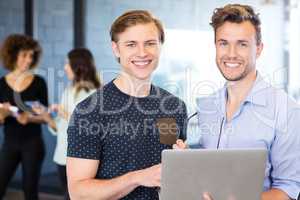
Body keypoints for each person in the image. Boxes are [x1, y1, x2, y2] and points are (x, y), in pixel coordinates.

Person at [175, 4, 300, 200]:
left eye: (242, 44)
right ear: (215, 46)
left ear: (258, 49)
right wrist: (188, 161)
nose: (231, 54)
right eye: (223, 43)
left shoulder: (287, 110)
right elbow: (212, 171)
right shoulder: (206, 107)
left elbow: (288, 189)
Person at [66, 10, 187, 200]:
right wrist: (138, 178)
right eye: (131, 44)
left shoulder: (173, 107)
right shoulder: (90, 111)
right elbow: (79, 193)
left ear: (160, 46)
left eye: (150, 43)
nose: (142, 52)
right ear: (116, 49)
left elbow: (169, 171)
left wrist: (182, 163)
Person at [39, 48, 101, 200]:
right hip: (62, 155)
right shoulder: (69, 90)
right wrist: (46, 117)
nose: (65, 67)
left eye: (67, 63)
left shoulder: (93, 93)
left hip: (80, 157)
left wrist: (63, 112)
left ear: (78, 66)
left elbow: (88, 127)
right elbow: (60, 127)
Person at [0, 34, 48, 200]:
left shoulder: (39, 82)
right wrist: (3, 114)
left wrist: (30, 118)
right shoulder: (1, 83)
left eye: (31, 56)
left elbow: (46, 117)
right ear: (13, 56)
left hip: (33, 143)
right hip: (9, 143)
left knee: (30, 192)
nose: (28, 60)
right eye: (24, 55)